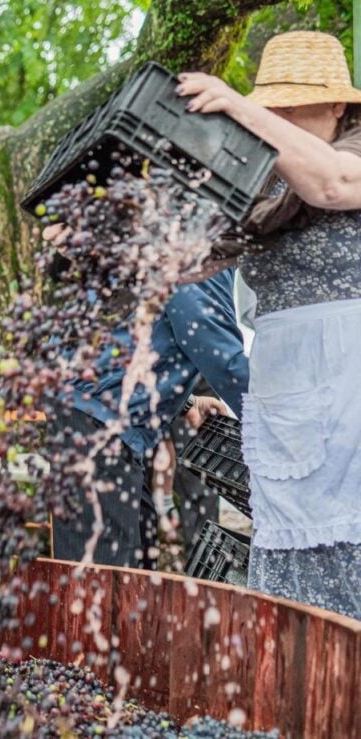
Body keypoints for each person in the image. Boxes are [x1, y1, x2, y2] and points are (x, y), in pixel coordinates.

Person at [178, 31, 361, 619]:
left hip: (352, 385)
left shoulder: (349, 160)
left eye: (291, 106)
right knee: (292, 578)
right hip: (287, 394)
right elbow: (189, 262)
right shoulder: (261, 186)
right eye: (271, 106)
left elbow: (332, 183)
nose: (277, 119)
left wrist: (238, 104)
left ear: (339, 104)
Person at [46, 259, 248, 568]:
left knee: (134, 563)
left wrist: (188, 403)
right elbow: (215, 348)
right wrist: (277, 420)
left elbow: (143, 335)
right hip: (96, 420)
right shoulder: (206, 248)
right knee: (100, 578)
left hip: (98, 416)